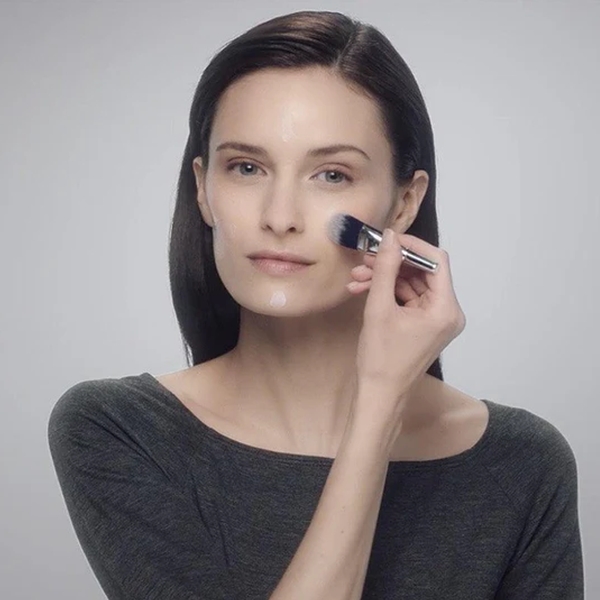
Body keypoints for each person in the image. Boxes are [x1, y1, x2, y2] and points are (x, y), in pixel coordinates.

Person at [47, 10, 584, 600]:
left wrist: (383, 392)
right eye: (246, 167)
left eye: (331, 175)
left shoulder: (522, 464)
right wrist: (377, 408)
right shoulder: (120, 430)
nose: (280, 217)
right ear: (203, 188)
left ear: (403, 204)